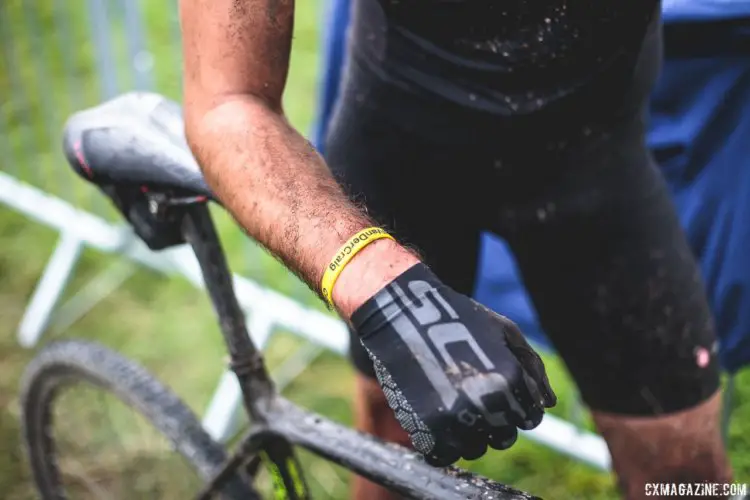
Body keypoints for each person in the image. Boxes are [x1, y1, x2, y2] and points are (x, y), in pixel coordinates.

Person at [178, 1, 732, 499]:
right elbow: (227, 102)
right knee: (393, 441)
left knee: (685, 474)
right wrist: (385, 290)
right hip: (400, 153)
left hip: (595, 168)